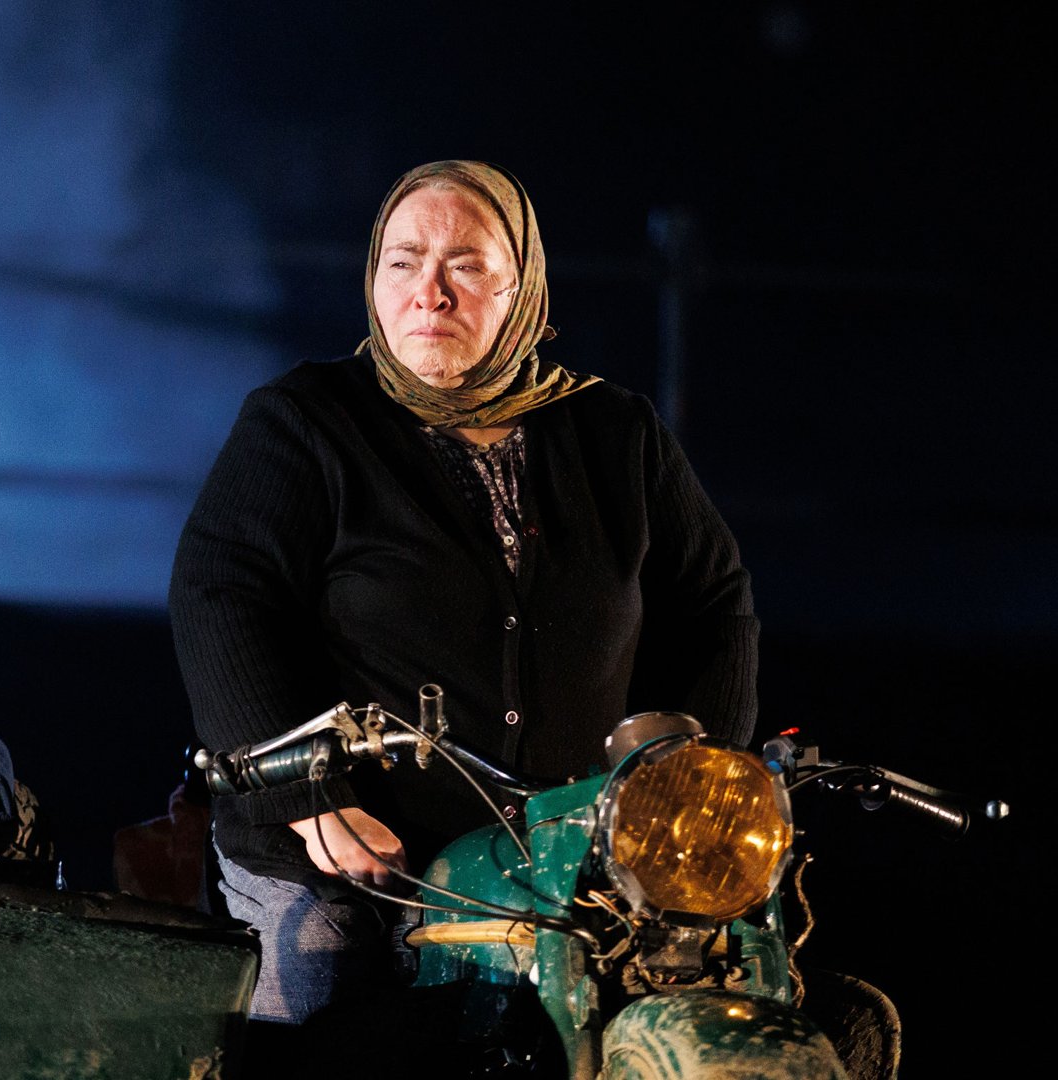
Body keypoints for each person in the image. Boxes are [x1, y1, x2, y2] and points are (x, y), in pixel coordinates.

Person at [168, 160, 758, 1025]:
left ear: (524, 292)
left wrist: (692, 792)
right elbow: (221, 593)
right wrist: (310, 804)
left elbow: (713, 607)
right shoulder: (304, 422)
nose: (429, 293)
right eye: (403, 262)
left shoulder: (618, 434)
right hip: (347, 857)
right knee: (325, 1015)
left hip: (569, 863)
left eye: (467, 265)